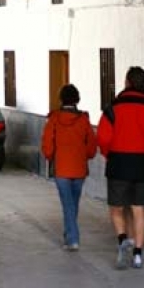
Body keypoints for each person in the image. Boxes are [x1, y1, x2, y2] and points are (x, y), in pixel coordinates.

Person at [96, 66, 144, 270]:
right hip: (143, 165)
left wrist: (108, 153)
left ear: (127, 83)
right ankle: (138, 254)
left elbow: (103, 137)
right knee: (139, 208)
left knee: (117, 208)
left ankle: (123, 241)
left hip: (118, 163)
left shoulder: (112, 109)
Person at [41, 83, 97, 251]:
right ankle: (68, 234)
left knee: (68, 204)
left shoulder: (54, 119)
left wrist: (51, 157)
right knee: (73, 203)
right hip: (79, 169)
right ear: (77, 99)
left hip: (62, 169)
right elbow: (92, 146)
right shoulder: (84, 120)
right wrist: (84, 156)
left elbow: (47, 145)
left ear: (61, 99)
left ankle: (72, 239)